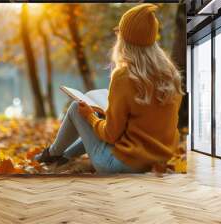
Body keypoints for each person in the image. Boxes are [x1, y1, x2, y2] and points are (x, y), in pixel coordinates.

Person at [35, 3, 184, 173]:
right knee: (97, 115)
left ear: (124, 39)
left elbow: (110, 135)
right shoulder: (171, 75)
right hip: (157, 161)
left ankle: (52, 153)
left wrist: (90, 117)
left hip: (117, 165)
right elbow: (143, 123)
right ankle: (60, 157)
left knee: (78, 108)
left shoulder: (124, 76)